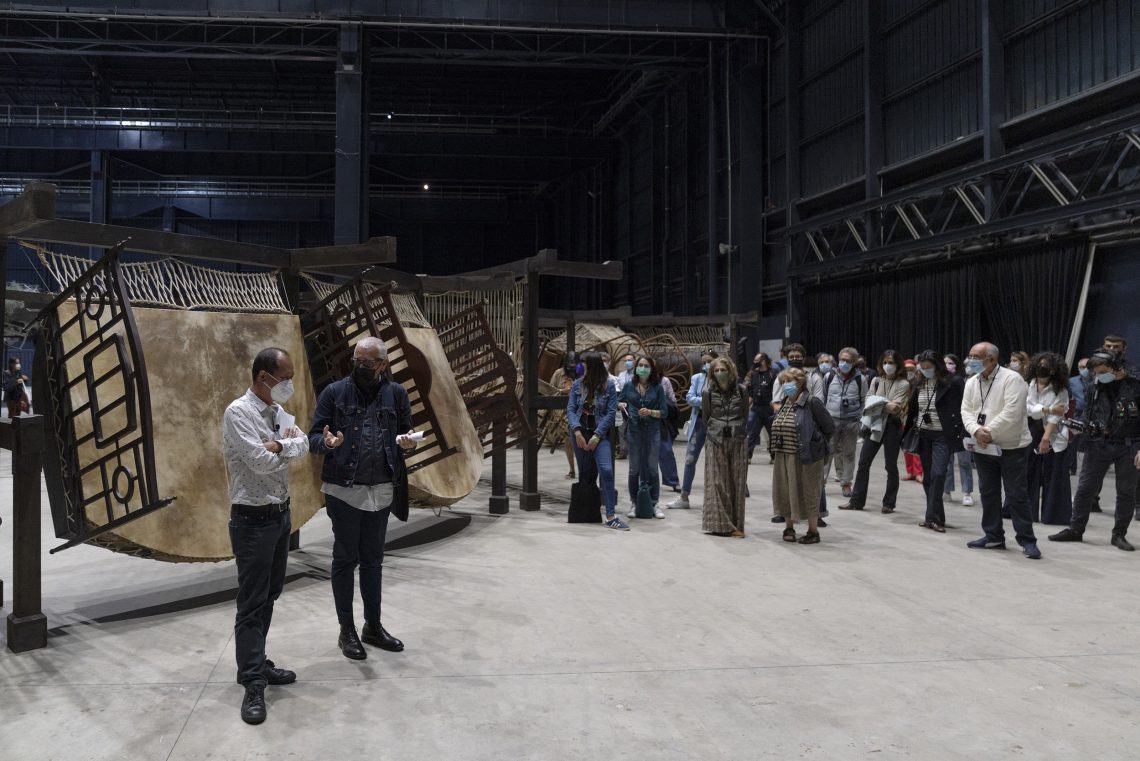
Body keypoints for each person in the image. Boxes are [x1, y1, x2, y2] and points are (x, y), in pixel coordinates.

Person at [308, 337, 416, 662]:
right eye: (356, 361)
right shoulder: (334, 392)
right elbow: (314, 437)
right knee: (344, 559)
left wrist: (407, 442)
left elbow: (405, 433)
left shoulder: (396, 394)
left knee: (373, 561)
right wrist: (326, 443)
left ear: (382, 364)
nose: (360, 367)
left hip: (381, 490)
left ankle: (373, 626)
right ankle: (347, 630)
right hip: (344, 490)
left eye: (367, 363)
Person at [222, 347, 310, 725]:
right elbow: (259, 463)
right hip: (253, 521)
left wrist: (281, 444)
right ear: (264, 378)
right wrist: (283, 447)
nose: (289, 384)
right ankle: (252, 679)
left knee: (270, 595)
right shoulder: (238, 413)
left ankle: (258, 662)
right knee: (252, 602)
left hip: (279, 515)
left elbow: (304, 443)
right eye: (285, 378)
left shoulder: (276, 413)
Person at [1048, 349, 1140, 551]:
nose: (1099, 376)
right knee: (1085, 489)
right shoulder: (1094, 387)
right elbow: (1089, 413)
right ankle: (1075, 529)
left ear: (1116, 367)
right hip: (1098, 444)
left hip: (1130, 445)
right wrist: (1079, 426)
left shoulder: (1135, 386)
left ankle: (1119, 534)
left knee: (1125, 492)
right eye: (1095, 373)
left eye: (1103, 371)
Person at [961, 342, 1041, 559]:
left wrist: (988, 431)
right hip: (983, 446)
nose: (971, 360)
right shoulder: (971, 382)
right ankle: (993, 536)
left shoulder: (1012, 379)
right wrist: (977, 431)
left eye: (976, 356)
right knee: (988, 492)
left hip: (1011, 446)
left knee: (1016, 495)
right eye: (970, 355)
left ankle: (1027, 540)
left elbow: (1012, 412)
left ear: (992, 359)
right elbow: (966, 411)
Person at [770, 367, 835, 544]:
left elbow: (829, 427)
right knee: (786, 491)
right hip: (784, 455)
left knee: (809, 492)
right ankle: (789, 527)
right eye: (783, 382)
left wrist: (815, 443)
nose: (785, 385)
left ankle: (813, 531)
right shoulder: (785, 402)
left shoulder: (812, 402)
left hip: (807, 456)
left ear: (800, 383)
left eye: (789, 382)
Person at [840, 350, 909, 513]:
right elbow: (868, 402)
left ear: (898, 365)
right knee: (863, 463)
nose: (887, 366)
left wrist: (876, 403)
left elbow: (895, 408)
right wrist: (884, 404)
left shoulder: (904, 384)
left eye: (891, 363)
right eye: (885, 362)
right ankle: (856, 501)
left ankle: (889, 503)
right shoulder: (876, 381)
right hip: (875, 426)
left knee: (891, 466)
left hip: (892, 426)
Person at [567, 352, 627, 530]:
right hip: (580, 433)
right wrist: (577, 432)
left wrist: (597, 435)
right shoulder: (577, 384)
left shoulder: (608, 387)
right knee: (585, 473)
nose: (582, 366)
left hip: (599, 435)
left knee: (606, 470)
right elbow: (571, 409)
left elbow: (610, 413)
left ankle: (610, 515)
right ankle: (587, 511)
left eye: (585, 363)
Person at [908, 350, 965, 533]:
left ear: (938, 365)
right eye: (922, 367)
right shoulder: (919, 381)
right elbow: (914, 408)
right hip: (923, 433)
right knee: (928, 478)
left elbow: (962, 407)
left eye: (929, 367)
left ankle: (931, 517)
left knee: (939, 474)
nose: (925, 370)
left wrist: (963, 432)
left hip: (943, 435)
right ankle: (936, 517)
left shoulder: (953, 382)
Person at [701, 357, 749, 537]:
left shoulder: (742, 390)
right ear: (712, 373)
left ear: (730, 371)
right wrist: (717, 428)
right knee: (717, 482)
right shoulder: (707, 392)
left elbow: (745, 414)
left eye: (723, 369)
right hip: (715, 438)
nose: (720, 373)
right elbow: (706, 417)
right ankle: (721, 525)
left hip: (738, 438)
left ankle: (738, 526)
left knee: (737, 482)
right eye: (716, 370)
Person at [619, 355, 668, 519]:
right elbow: (618, 401)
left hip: (653, 431)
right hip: (634, 431)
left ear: (651, 369)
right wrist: (622, 404)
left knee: (653, 468)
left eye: (646, 365)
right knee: (634, 469)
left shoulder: (658, 387)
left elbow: (665, 412)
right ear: (635, 368)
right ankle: (634, 502)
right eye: (640, 365)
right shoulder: (628, 386)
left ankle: (654, 503)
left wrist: (650, 412)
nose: (643, 368)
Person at [1026, 352, 1072, 525]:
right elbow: (1027, 409)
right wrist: (1049, 409)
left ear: (1054, 370)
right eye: (1040, 364)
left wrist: (1045, 438)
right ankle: (1026, 512)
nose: (1042, 368)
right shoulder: (1028, 385)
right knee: (1028, 472)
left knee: (1054, 474)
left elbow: (1057, 416)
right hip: (1031, 430)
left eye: (1046, 365)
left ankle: (1054, 515)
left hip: (1052, 433)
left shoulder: (1060, 389)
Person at [667, 351, 716, 510]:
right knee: (689, 460)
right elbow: (689, 398)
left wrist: (702, 400)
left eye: (709, 362)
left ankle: (715, 498)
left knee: (716, 461)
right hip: (699, 423)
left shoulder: (721, 378)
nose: (705, 365)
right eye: (703, 362)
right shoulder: (697, 378)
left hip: (716, 425)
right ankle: (684, 497)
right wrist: (707, 400)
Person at [822, 347, 866, 498]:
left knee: (849, 455)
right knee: (827, 452)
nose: (844, 363)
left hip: (851, 423)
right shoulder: (828, 376)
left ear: (854, 362)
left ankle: (846, 483)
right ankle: (820, 483)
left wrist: (858, 420)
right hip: (831, 421)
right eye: (842, 360)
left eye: (848, 361)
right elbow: (824, 397)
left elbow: (863, 401)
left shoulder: (861, 379)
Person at [942, 353, 975, 506]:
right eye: (945, 363)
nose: (947, 366)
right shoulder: (940, 381)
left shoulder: (961, 381)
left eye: (950, 363)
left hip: (962, 426)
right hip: (946, 425)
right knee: (946, 461)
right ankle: (946, 490)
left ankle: (967, 492)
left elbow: (966, 404)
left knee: (964, 461)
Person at [745, 352, 777, 461]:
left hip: (769, 408)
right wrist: (746, 406)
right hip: (756, 408)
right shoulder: (753, 374)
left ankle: (774, 456)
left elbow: (776, 391)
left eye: (757, 360)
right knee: (753, 433)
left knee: (772, 433)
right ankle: (748, 456)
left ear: (763, 361)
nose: (755, 362)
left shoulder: (772, 374)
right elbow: (750, 392)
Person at [550, 358, 577, 480]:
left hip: (578, 411)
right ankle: (572, 469)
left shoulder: (580, 372)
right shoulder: (558, 373)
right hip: (562, 412)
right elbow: (550, 390)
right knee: (568, 439)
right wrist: (562, 391)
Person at [1066, 357, 1091, 477]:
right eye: (1081, 367)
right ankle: (1071, 467)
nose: (1084, 369)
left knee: (1092, 444)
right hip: (1077, 415)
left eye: (1086, 367)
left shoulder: (1097, 380)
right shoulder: (1072, 381)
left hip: (1092, 416)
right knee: (1072, 442)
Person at [658, 374, 682, 492]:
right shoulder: (635, 382)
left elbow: (672, 400)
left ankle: (673, 481)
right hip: (643, 420)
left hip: (661, 420)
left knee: (666, 450)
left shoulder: (663, 381)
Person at [902, 358, 924, 483]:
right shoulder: (901, 382)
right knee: (906, 447)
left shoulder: (919, 382)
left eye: (911, 369)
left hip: (916, 418)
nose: (909, 372)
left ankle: (918, 472)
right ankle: (910, 471)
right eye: (906, 370)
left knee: (916, 447)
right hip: (903, 417)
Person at [613, 354, 636, 459]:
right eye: (626, 360)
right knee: (621, 429)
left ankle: (634, 452)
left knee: (633, 429)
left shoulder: (637, 375)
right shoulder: (621, 375)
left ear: (634, 361)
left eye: (630, 360)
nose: (627, 362)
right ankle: (623, 451)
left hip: (634, 405)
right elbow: (618, 389)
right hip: (622, 405)